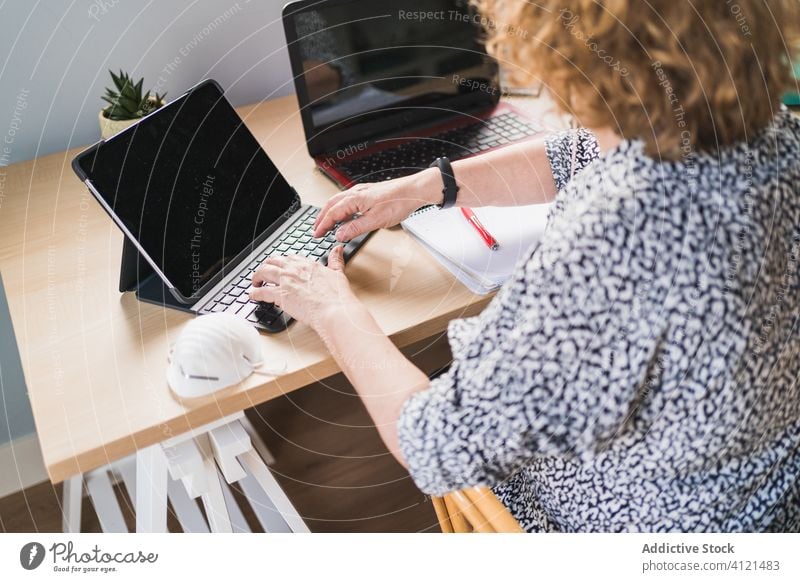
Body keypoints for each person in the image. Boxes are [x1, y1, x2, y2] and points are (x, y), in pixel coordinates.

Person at [250, 0, 800, 531]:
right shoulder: (769, 133)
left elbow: (435, 444)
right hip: (762, 495)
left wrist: (333, 309)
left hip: (644, 526)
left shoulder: (620, 237)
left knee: (441, 394)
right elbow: (579, 153)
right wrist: (429, 185)